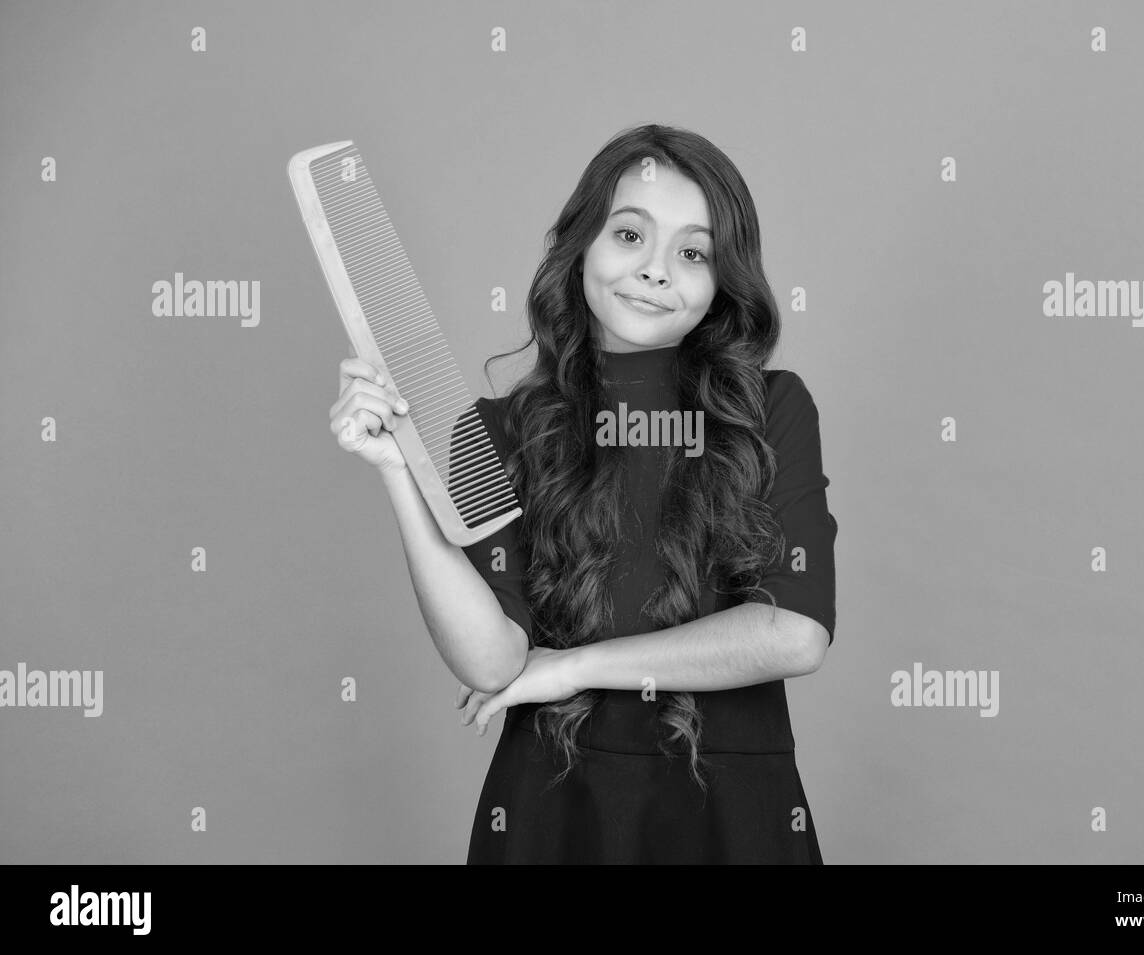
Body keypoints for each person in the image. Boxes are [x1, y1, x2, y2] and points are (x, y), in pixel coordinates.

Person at [329, 124, 837, 864]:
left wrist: (570, 666)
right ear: (581, 248)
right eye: (630, 236)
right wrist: (397, 471)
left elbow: (796, 632)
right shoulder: (496, 430)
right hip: (549, 810)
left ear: (723, 281)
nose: (657, 270)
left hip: (732, 813)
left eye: (693, 252)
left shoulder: (772, 410)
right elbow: (492, 663)